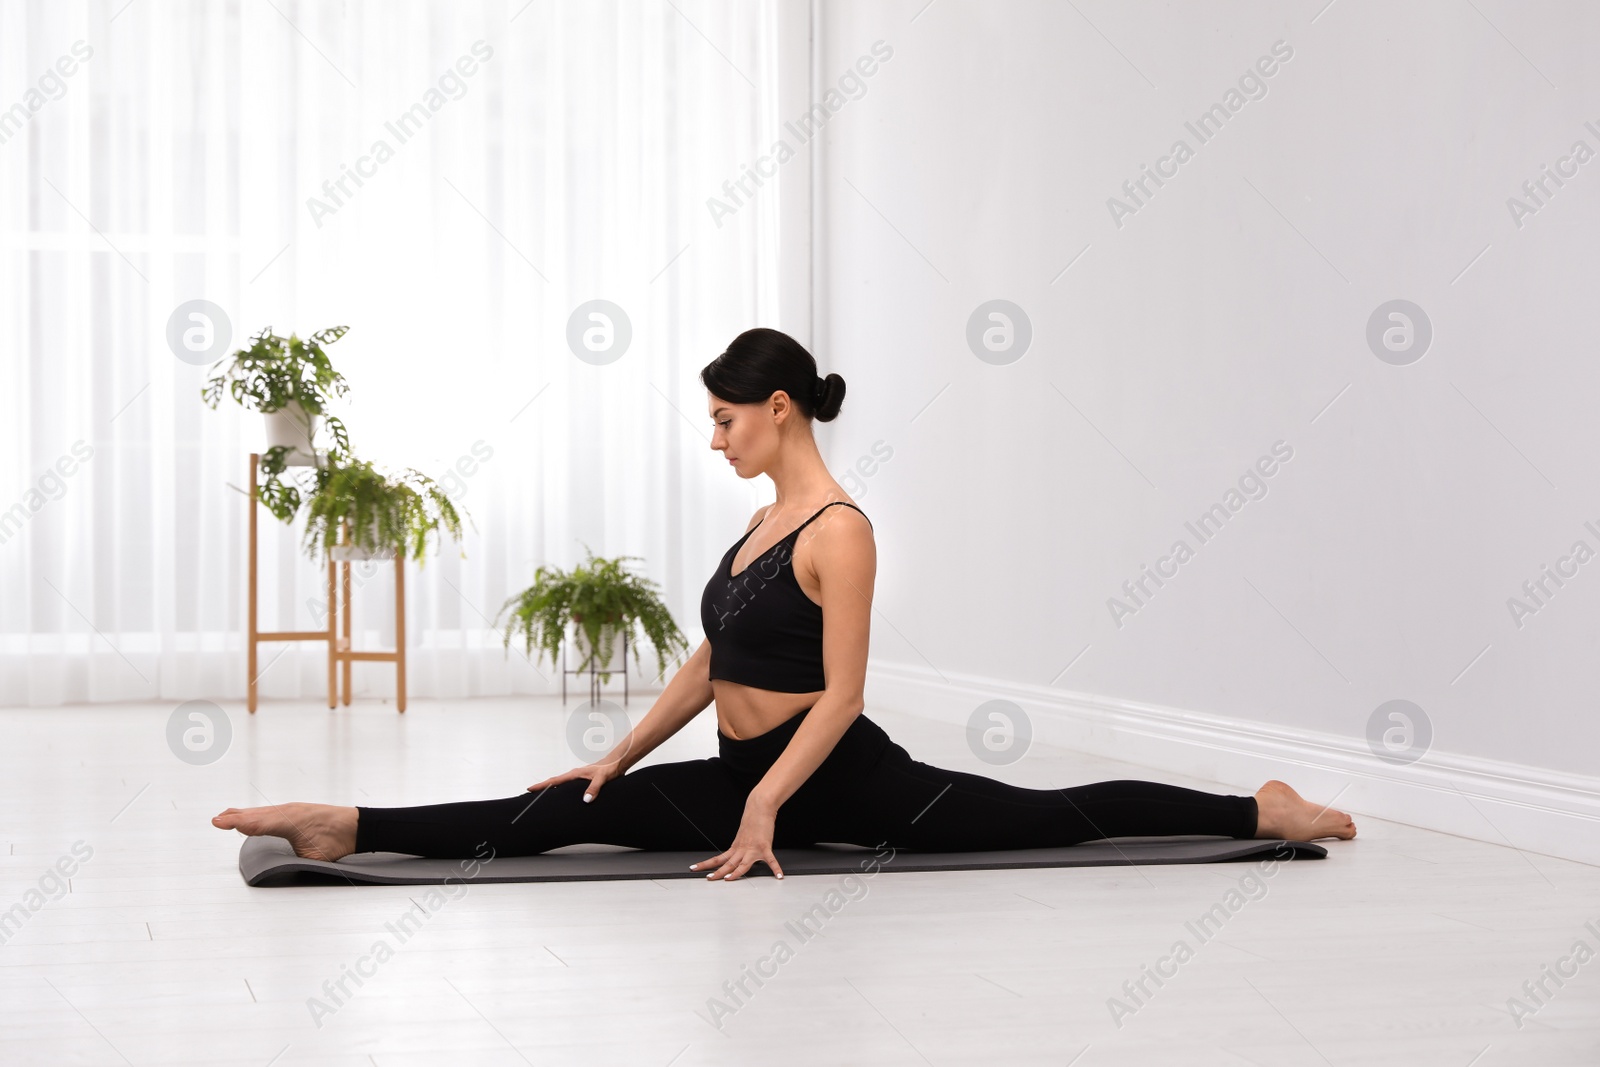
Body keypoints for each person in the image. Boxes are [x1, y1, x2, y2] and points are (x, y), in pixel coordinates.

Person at [214, 327, 1356, 881]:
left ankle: (1258, 806)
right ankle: (344, 826)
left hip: (845, 777)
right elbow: (711, 662)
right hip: (739, 773)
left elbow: (844, 691)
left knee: (1054, 814)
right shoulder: (760, 524)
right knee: (560, 811)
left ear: (776, 408)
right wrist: (615, 753)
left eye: (723, 420)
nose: (714, 439)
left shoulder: (840, 530)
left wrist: (766, 809)